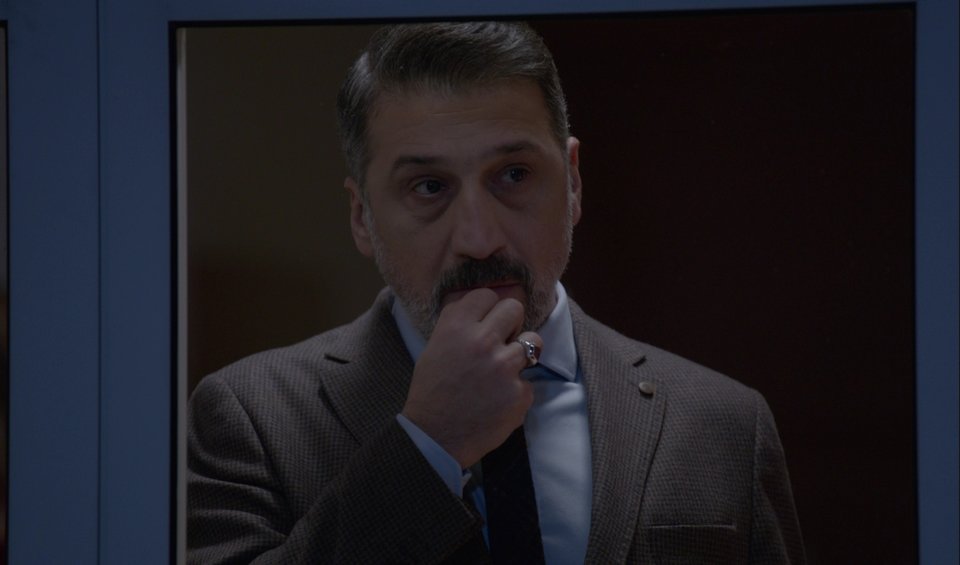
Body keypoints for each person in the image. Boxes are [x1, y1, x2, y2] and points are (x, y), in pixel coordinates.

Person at [187, 21, 805, 564]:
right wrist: (429, 442)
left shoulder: (725, 423)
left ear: (573, 184)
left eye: (514, 175)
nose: (480, 240)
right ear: (361, 218)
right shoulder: (251, 418)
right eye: (429, 187)